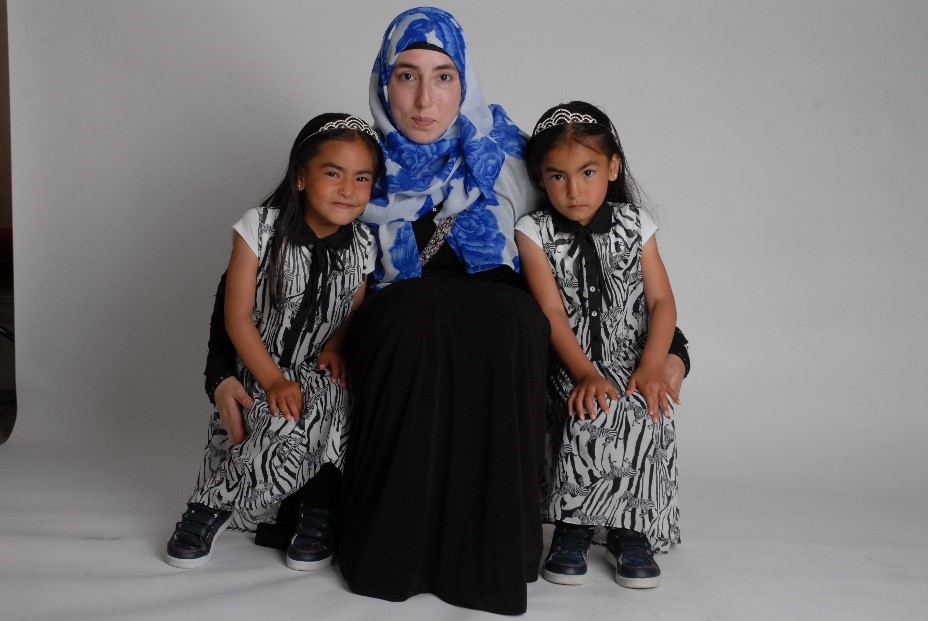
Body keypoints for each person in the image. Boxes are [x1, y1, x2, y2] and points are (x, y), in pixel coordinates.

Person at [203, 7, 690, 614]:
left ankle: (495, 558)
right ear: (384, 81)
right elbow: (257, 271)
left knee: (506, 324)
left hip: (508, 318)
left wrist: (673, 353)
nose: (425, 99)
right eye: (406, 76)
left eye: (443, 76)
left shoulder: (513, 156)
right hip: (389, 323)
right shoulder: (356, 162)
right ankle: (383, 547)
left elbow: (602, 260)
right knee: (416, 319)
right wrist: (221, 370)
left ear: (466, 81)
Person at [165, 113, 383, 572]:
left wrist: (336, 347)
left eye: (361, 178)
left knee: (333, 405)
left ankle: (316, 511)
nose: (348, 188)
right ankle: (210, 504)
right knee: (270, 411)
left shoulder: (365, 243)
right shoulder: (260, 228)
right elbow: (237, 315)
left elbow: (354, 308)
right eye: (333, 173)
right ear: (301, 177)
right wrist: (271, 378)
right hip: (260, 359)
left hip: (318, 364)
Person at [515, 101, 681, 590]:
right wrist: (585, 372)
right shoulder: (533, 231)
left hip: (633, 355)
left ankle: (631, 528)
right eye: (558, 176)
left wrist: (652, 365)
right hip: (571, 359)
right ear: (540, 178)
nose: (574, 189)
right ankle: (574, 523)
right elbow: (550, 313)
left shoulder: (637, 224)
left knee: (646, 406)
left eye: (587, 172)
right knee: (590, 405)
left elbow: (662, 301)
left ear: (612, 167)